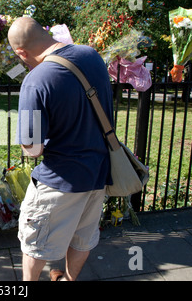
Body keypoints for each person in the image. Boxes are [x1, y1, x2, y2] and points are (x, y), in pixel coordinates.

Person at [8, 17, 114, 281]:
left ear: (21, 52)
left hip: (61, 181)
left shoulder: (36, 80)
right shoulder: (91, 56)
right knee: (82, 238)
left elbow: (32, 148)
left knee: (35, 244)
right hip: (98, 172)